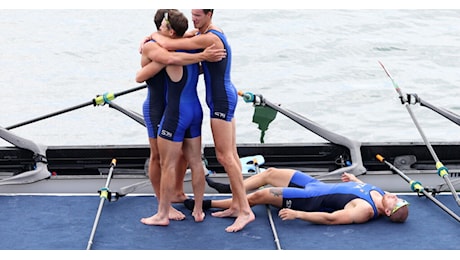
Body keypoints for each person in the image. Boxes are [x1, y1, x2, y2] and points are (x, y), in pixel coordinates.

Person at [149, 9, 255, 232]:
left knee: (224, 156)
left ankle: (245, 211)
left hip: (221, 100)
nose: (193, 20)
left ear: (209, 14)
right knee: (232, 155)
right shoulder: (207, 32)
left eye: (198, 16)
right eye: (192, 15)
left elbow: (168, 46)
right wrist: (155, 37)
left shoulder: (210, 37)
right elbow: (185, 38)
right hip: (221, 97)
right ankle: (237, 204)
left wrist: (151, 38)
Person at [136, 9, 225, 225]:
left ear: (171, 31)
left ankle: (163, 213)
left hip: (175, 112)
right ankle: (194, 209)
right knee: (189, 161)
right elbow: (147, 71)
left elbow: (170, 56)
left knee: (169, 163)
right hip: (188, 109)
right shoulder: (184, 48)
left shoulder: (176, 49)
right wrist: (202, 56)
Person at [185, 168, 410, 225]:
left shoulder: (366, 211)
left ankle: (208, 204)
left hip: (309, 199)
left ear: (388, 211)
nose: (395, 196)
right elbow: (361, 186)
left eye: (396, 201)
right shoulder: (380, 194)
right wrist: (354, 179)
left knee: (261, 195)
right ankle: (232, 189)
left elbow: (331, 218)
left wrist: (298, 214)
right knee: (270, 173)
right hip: (315, 184)